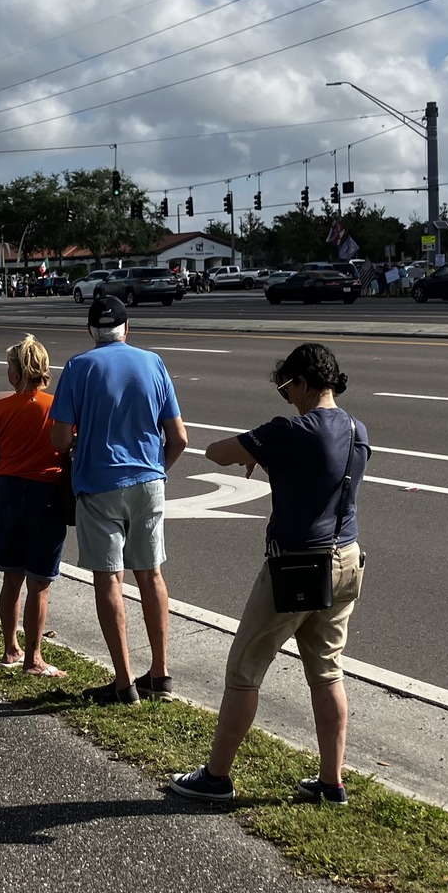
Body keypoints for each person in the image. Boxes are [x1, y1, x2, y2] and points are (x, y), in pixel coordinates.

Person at [169, 342, 369, 804]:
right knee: (327, 670)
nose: (287, 398)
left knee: (244, 667)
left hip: (298, 564)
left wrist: (259, 451)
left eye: (287, 388)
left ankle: (216, 776)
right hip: (347, 559)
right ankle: (331, 782)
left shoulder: (290, 430)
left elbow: (217, 452)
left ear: (301, 381)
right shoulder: (359, 430)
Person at [48, 294, 187, 706]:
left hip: (98, 483)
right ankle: (160, 673)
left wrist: (79, 444)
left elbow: (59, 438)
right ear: (127, 329)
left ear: (90, 331)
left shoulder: (77, 367)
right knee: (151, 574)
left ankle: (124, 682)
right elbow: (179, 437)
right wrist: (156, 469)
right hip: (148, 480)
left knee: (109, 578)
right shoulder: (153, 363)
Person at [0, 334, 66, 676]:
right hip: (46, 493)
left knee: (10, 578)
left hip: (8, 492)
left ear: (16, 375)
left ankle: (11, 648)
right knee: (40, 583)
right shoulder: (56, 407)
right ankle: (34, 657)